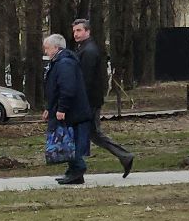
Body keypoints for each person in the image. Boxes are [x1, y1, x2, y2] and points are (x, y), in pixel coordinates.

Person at [72, 18, 134, 178]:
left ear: (87, 31)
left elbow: (86, 80)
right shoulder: (85, 49)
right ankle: (124, 156)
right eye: (74, 31)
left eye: (79, 30)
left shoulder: (89, 51)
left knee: (88, 134)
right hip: (90, 100)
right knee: (94, 134)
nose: (76, 34)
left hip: (89, 101)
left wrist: (80, 101)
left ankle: (76, 169)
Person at [42, 33, 93, 186]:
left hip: (72, 111)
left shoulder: (64, 63)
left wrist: (62, 108)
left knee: (69, 140)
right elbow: (54, 89)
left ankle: (78, 168)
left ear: (56, 48)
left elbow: (67, 88)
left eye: (47, 48)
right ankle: (74, 172)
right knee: (68, 140)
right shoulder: (60, 62)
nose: (45, 51)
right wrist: (49, 108)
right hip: (67, 109)